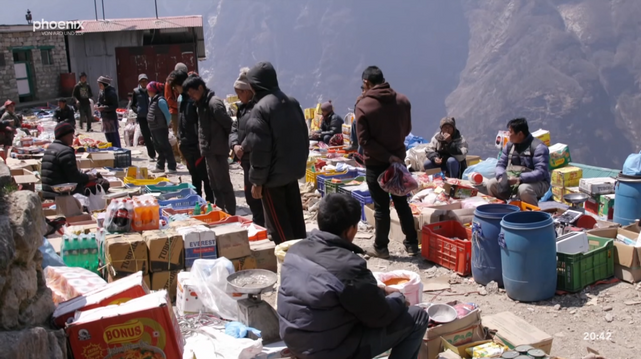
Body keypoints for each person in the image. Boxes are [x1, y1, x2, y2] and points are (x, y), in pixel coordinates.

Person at [278, 193, 430, 359]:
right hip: (326, 352)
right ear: (350, 229)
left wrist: (380, 290)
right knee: (418, 317)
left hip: (294, 341)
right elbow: (380, 316)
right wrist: (399, 298)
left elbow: (328, 289)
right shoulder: (348, 265)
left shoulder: (296, 250)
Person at [356, 66, 417, 258]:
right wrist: (392, 153)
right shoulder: (402, 101)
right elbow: (406, 130)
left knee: (381, 207)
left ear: (366, 83)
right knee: (401, 202)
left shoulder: (363, 106)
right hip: (398, 161)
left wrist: (384, 155)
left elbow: (364, 141)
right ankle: (412, 244)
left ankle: (381, 247)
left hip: (376, 163)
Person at [244, 62, 309, 244]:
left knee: (279, 226)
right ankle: (303, 254)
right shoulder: (292, 102)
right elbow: (304, 138)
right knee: (296, 220)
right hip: (292, 172)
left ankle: (289, 260)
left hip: (272, 180)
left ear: (255, 85)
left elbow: (260, 150)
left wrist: (257, 181)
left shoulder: (260, 110)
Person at [183, 75, 236, 215]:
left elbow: (229, 126)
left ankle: (230, 213)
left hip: (218, 151)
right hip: (208, 152)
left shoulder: (214, 104)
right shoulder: (201, 104)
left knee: (223, 184)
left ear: (200, 88)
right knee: (214, 185)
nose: (192, 96)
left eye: (193, 93)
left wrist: (232, 146)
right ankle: (219, 211)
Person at [229, 67, 265, 227]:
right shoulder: (241, 110)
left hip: (255, 158)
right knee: (249, 194)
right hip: (244, 159)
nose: (238, 96)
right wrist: (234, 144)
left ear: (249, 91)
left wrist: (242, 147)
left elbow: (257, 133)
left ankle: (264, 224)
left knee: (259, 195)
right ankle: (258, 222)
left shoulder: (259, 109)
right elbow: (234, 129)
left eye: (240, 92)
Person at [170, 70, 214, 202]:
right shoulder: (181, 99)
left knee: (205, 178)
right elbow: (181, 122)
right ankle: (197, 202)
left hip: (196, 145)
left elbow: (199, 124)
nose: (175, 90)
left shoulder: (194, 100)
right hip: (186, 145)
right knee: (195, 178)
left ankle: (210, 203)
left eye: (176, 86)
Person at [487, 118, 550, 206]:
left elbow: (541, 172)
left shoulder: (538, 147)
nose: (508, 134)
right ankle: (502, 209)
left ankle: (533, 215)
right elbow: (500, 164)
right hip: (514, 179)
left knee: (524, 189)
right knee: (492, 184)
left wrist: (519, 179)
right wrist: (501, 177)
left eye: (511, 132)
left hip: (539, 182)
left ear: (520, 134)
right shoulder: (509, 146)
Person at [41, 122, 110, 199]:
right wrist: (88, 177)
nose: (73, 138)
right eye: (71, 135)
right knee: (103, 183)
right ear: (66, 135)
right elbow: (74, 178)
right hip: (60, 193)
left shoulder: (50, 148)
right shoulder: (65, 151)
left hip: (47, 192)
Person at [146, 81, 177, 175]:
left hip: (160, 128)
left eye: (149, 90)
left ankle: (172, 167)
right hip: (154, 127)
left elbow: (167, 115)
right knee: (158, 147)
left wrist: (166, 124)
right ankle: (160, 166)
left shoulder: (160, 100)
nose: (148, 92)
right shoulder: (153, 100)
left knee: (165, 147)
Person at [131, 73, 156, 162]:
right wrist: (138, 111)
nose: (144, 83)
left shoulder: (151, 90)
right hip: (142, 117)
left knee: (154, 135)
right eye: (142, 81)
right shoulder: (136, 91)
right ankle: (152, 155)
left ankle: (158, 153)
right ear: (139, 82)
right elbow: (132, 105)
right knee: (146, 136)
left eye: (145, 81)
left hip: (151, 116)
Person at [96, 76, 121, 148]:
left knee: (114, 135)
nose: (99, 86)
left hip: (111, 117)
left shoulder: (111, 92)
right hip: (104, 117)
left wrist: (104, 108)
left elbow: (114, 106)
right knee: (107, 135)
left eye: (100, 85)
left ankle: (117, 149)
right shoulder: (101, 92)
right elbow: (99, 101)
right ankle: (112, 148)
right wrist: (98, 106)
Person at [165, 62, 188, 137]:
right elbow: (169, 100)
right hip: (175, 112)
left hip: (184, 109)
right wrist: (179, 106)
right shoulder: (169, 83)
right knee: (177, 133)